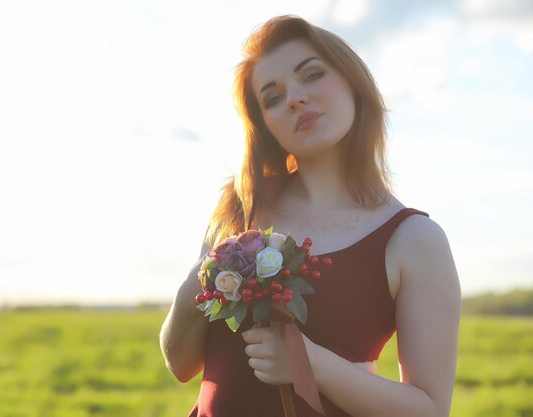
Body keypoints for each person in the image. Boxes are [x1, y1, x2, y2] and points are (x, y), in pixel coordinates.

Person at [160, 14, 460, 417]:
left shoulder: (415, 239)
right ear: (265, 125)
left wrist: (311, 364)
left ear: (353, 82)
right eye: (272, 97)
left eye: (313, 75)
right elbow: (180, 365)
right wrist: (202, 275)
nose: (295, 98)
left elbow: (429, 409)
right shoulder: (241, 205)